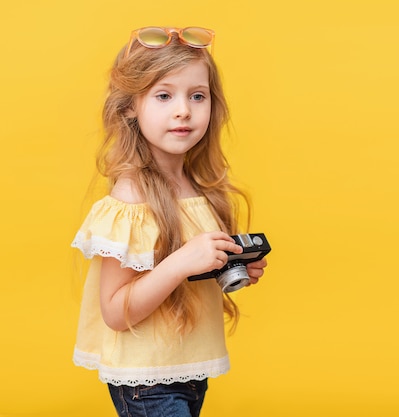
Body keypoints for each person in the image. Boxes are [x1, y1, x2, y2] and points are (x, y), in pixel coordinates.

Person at [71, 26, 267, 417]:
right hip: (147, 379)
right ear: (129, 107)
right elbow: (115, 311)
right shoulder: (130, 198)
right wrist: (181, 262)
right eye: (164, 96)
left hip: (189, 368)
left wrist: (228, 267)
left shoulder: (199, 189)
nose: (183, 110)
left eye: (198, 96)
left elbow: (184, 279)